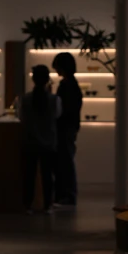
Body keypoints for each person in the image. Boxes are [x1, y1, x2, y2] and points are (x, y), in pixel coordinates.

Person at [19, 65, 61, 213]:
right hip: (48, 142)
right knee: (47, 175)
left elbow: (21, 118)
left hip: (30, 141)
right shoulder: (54, 99)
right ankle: (48, 205)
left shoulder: (25, 99)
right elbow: (57, 115)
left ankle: (27, 205)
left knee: (29, 175)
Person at [52, 52, 85, 207]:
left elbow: (62, 109)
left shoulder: (66, 85)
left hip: (65, 128)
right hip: (69, 127)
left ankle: (66, 196)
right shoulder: (72, 84)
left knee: (64, 162)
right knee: (65, 161)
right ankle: (66, 195)